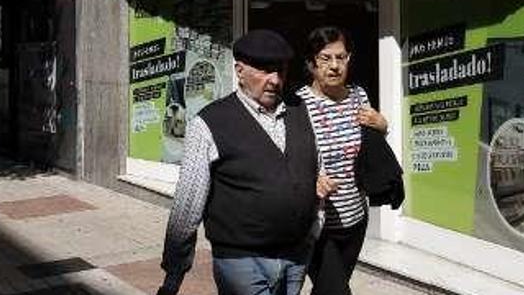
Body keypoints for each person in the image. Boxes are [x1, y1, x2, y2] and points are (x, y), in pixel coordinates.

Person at [157, 29, 336, 295]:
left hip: (295, 258)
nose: (275, 80)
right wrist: (175, 270)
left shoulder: (299, 110)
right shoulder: (209, 123)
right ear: (240, 71)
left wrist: (313, 229)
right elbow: (188, 204)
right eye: (265, 70)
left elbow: (315, 168)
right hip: (241, 263)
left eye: (281, 70)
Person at [296, 26, 388, 295]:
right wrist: (311, 178)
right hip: (318, 223)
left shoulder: (359, 96)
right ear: (311, 63)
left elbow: (372, 148)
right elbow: (284, 157)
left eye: (341, 57)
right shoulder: (297, 105)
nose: (335, 66)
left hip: (356, 218)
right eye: (325, 58)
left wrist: (383, 126)